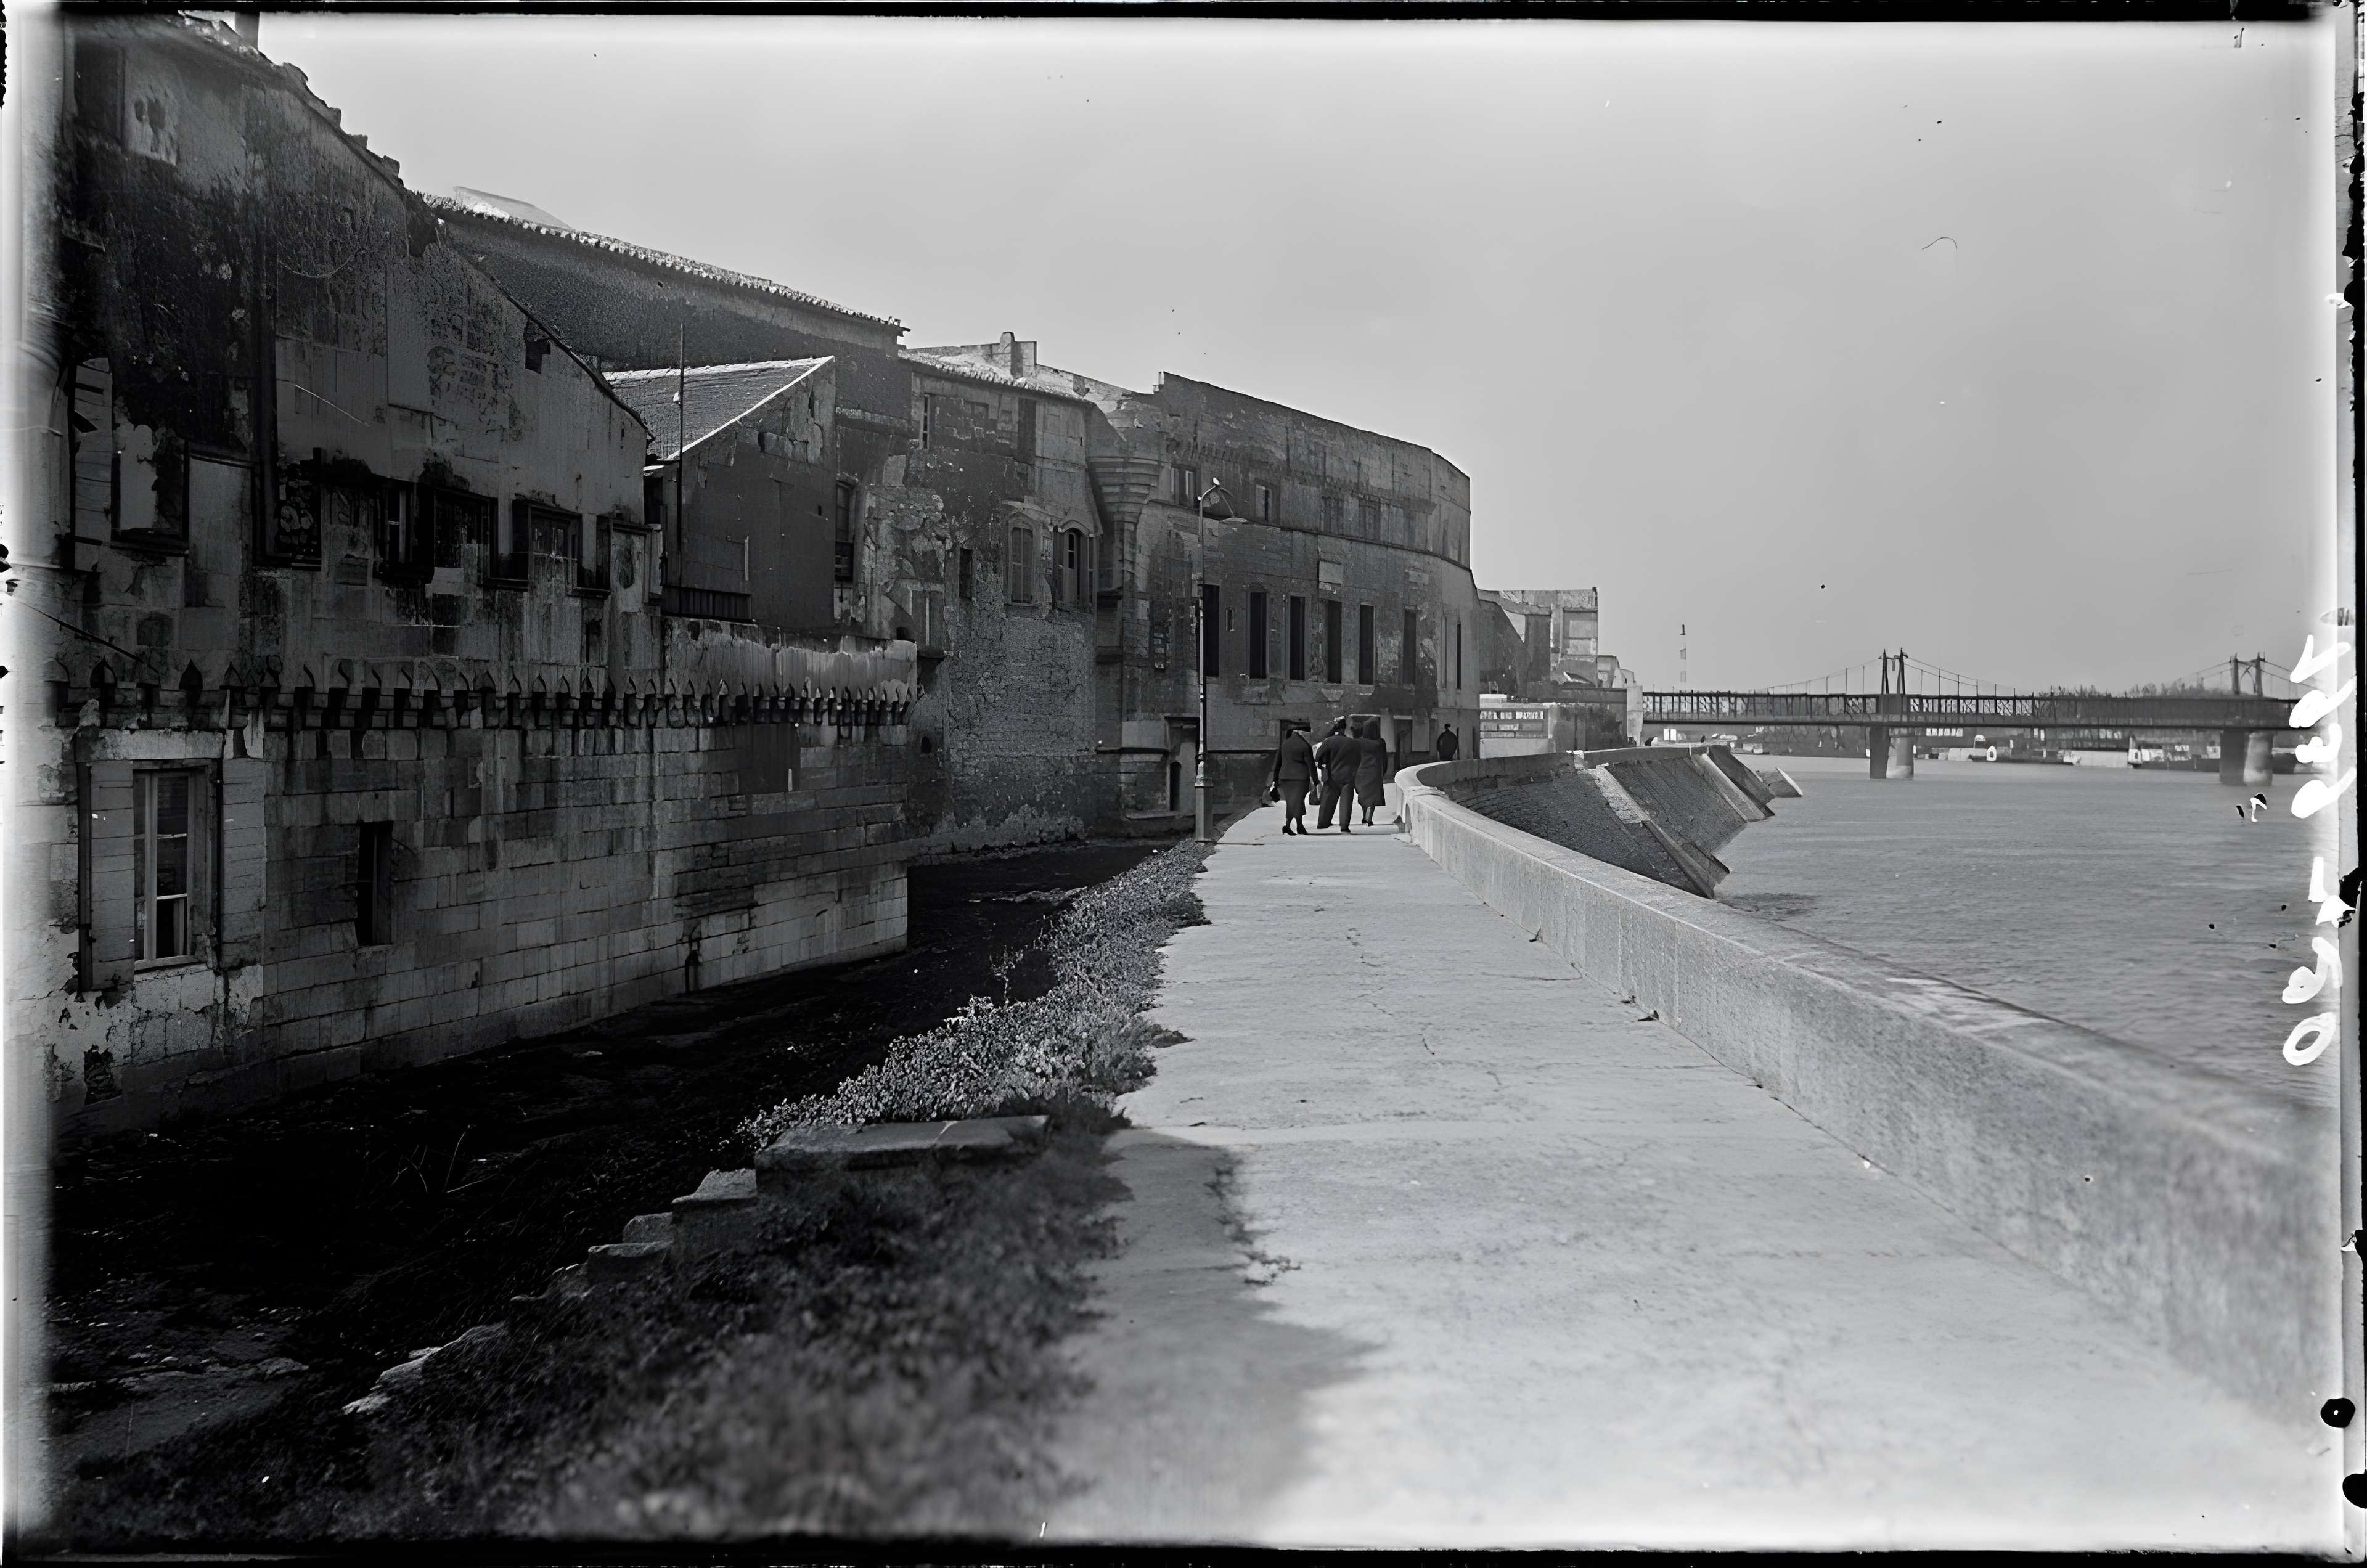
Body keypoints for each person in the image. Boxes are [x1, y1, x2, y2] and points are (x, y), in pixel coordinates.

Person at [1269, 721, 1316, 836]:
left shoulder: (1285, 744)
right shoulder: (1304, 746)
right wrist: (1316, 781)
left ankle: (1294, 826)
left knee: (1292, 802)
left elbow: (1278, 764)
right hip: (1300, 778)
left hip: (1285, 777)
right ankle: (1293, 826)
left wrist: (1275, 781)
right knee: (1297, 802)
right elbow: (1311, 765)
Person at [1313, 717, 1358, 833]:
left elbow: (1318, 756)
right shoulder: (1352, 743)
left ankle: (1323, 823)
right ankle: (1344, 826)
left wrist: (1325, 760)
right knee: (1346, 802)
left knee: (1327, 800)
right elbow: (1358, 759)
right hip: (1348, 776)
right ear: (1344, 729)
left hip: (1331, 775)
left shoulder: (1328, 741)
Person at [1354, 719, 1390, 827]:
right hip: (1375, 771)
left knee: (1363, 795)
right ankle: (1369, 818)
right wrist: (1384, 771)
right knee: (1372, 797)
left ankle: (1365, 816)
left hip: (1361, 772)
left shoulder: (1358, 742)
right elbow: (1385, 758)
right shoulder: (1381, 742)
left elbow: (1355, 757)